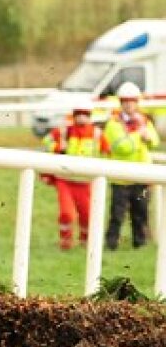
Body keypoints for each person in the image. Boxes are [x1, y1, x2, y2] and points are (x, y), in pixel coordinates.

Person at [101, 82, 160, 250]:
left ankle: (139, 244)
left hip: (141, 176)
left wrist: (147, 137)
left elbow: (154, 140)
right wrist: (138, 136)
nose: (129, 104)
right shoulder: (113, 123)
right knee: (117, 215)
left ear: (136, 102)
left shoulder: (143, 120)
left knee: (140, 213)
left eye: (132, 101)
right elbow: (121, 147)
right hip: (121, 178)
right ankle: (111, 244)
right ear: (121, 103)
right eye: (125, 101)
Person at [41, 102, 107, 250]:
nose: (82, 117)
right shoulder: (63, 131)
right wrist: (58, 147)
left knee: (87, 215)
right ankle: (65, 241)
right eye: (79, 114)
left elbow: (107, 153)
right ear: (74, 115)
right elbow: (46, 142)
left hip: (86, 182)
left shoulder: (97, 134)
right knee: (66, 213)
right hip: (65, 180)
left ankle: (85, 241)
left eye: (85, 114)